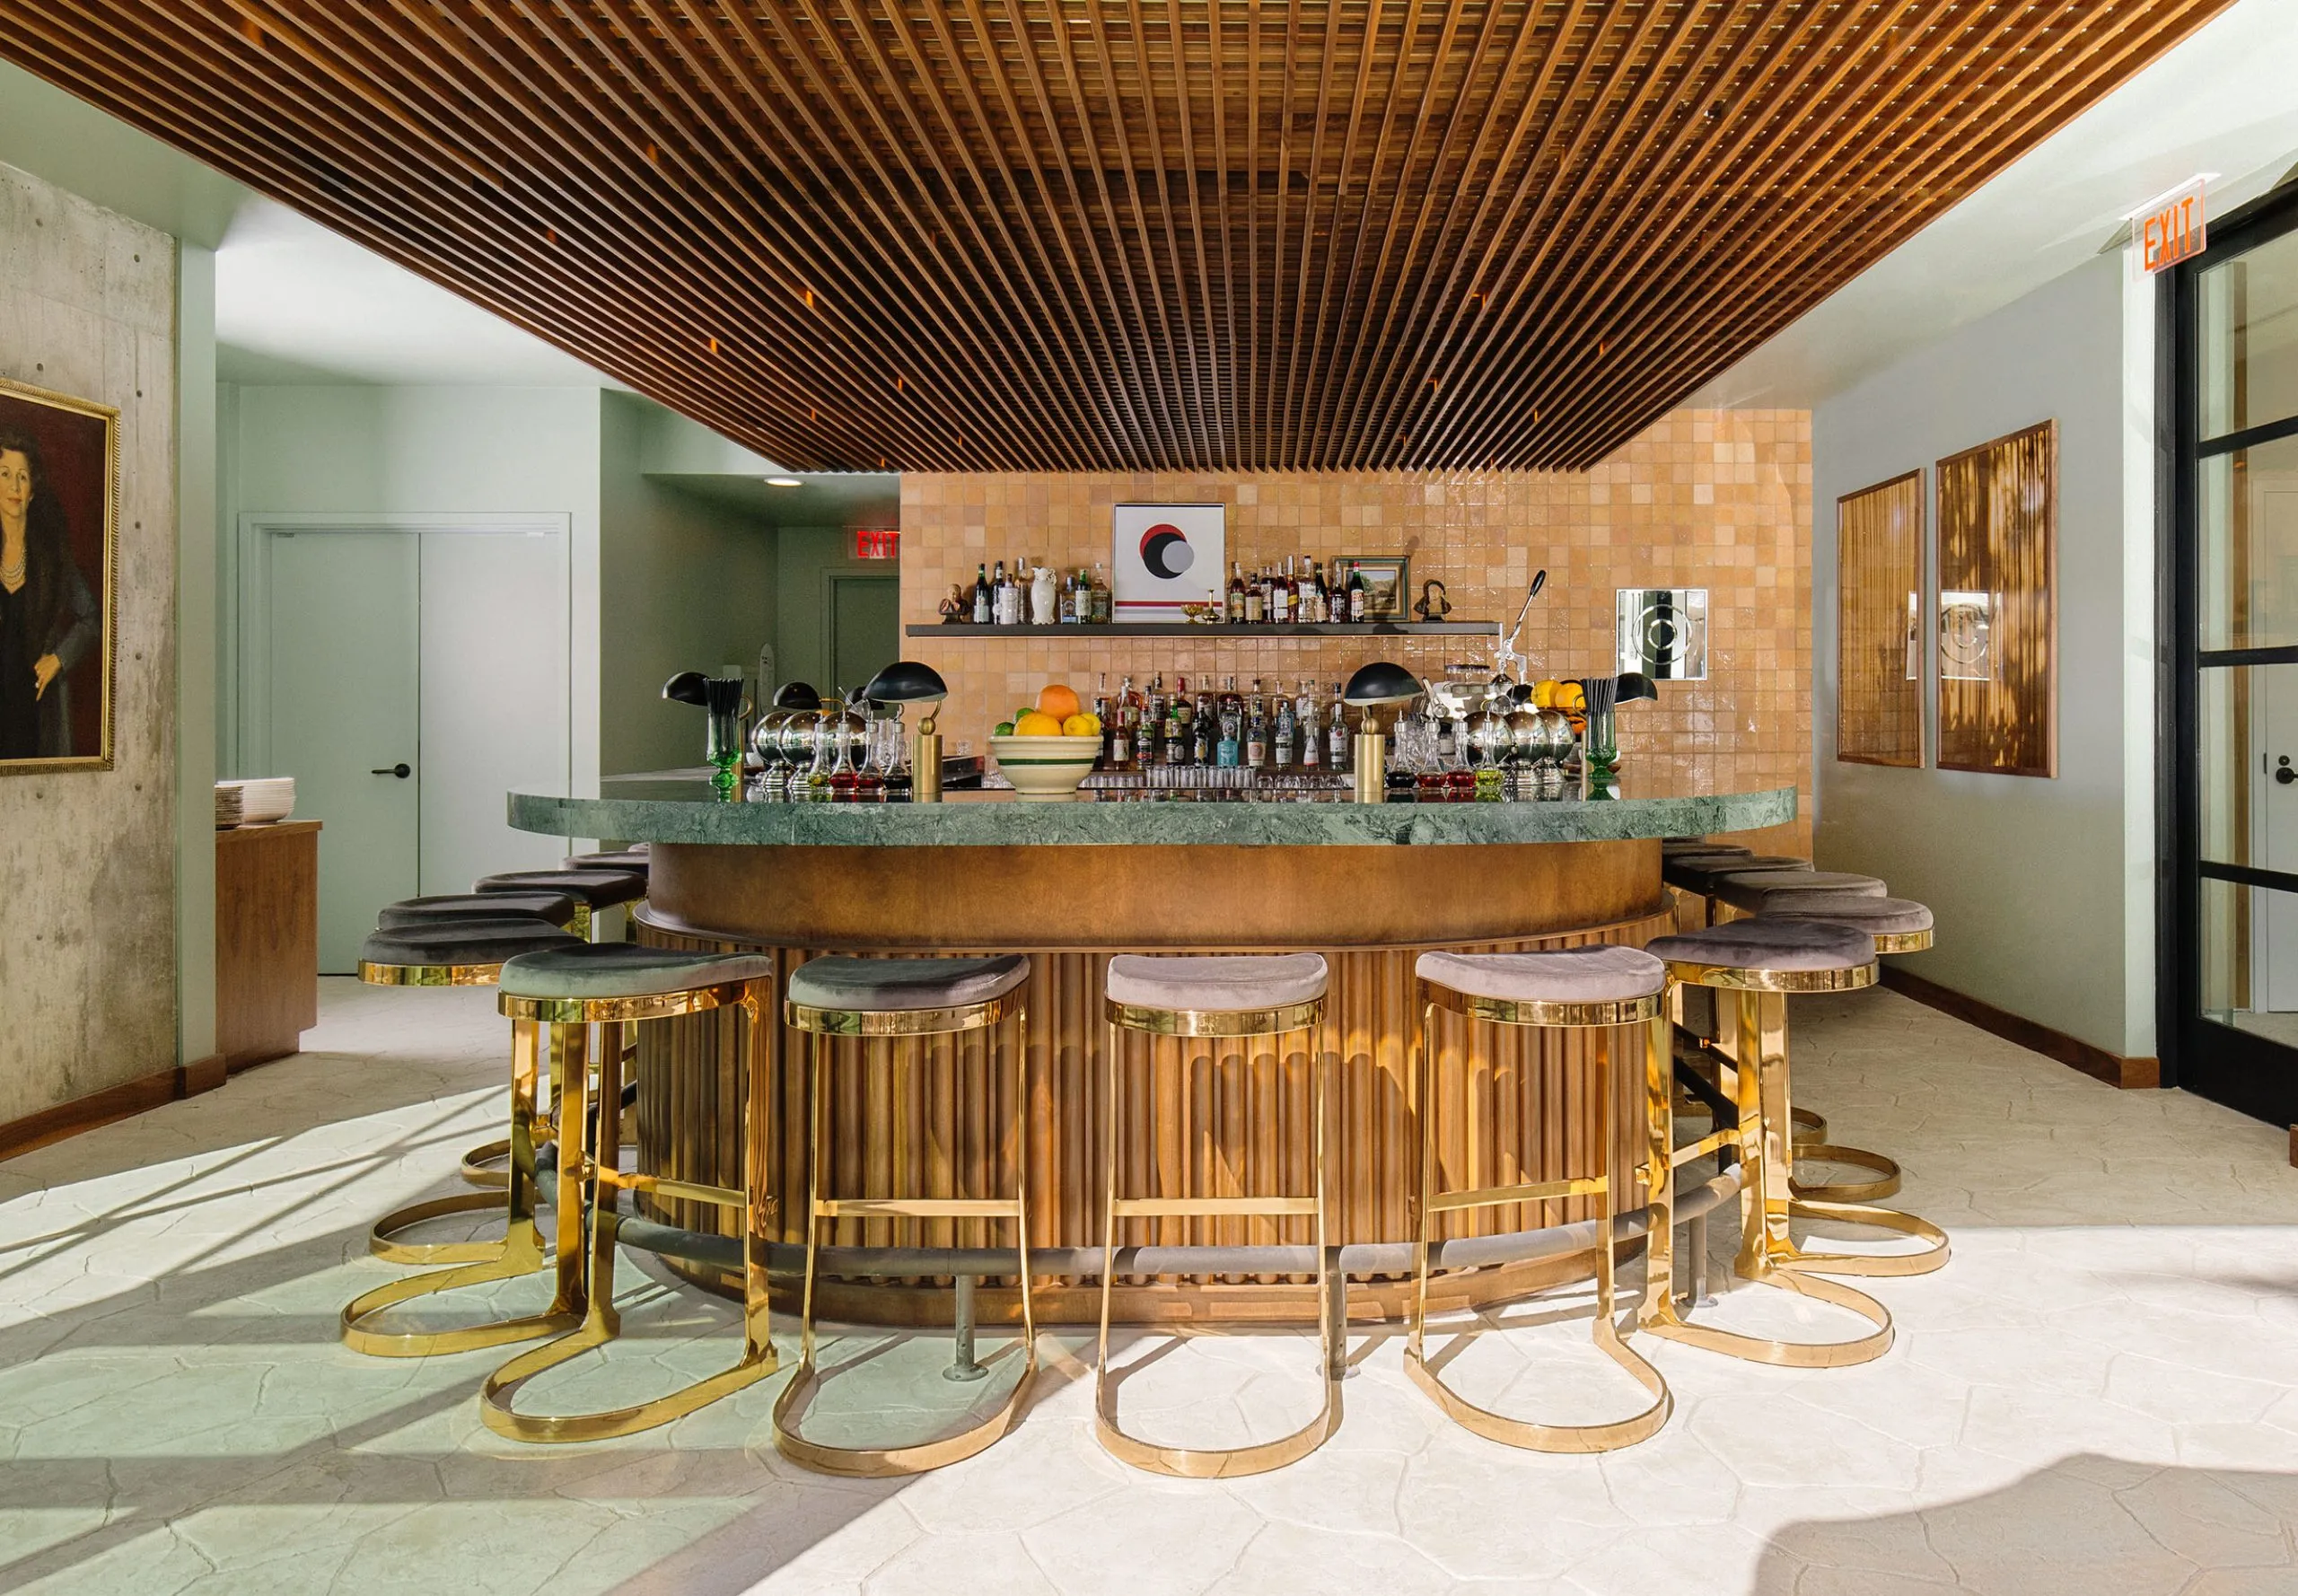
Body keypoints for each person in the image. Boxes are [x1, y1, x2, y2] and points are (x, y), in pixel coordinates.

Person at [0, 427, 99, 760]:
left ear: (31, 491)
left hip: (38, 709)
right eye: (5, 474)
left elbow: (92, 618)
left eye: (23, 477)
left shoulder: (52, 557)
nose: (14, 486)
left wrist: (59, 657)